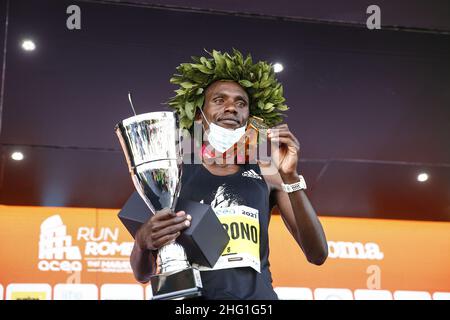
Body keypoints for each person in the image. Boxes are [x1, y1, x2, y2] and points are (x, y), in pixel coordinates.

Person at [130, 49, 328, 299]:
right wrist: (142, 243)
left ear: (250, 117)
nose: (231, 107)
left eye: (240, 103)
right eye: (219, 100)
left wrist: (290, 176)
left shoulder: (267, 170)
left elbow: (317, 254)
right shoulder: (172, 173)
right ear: (199, 117)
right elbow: (142, 275)